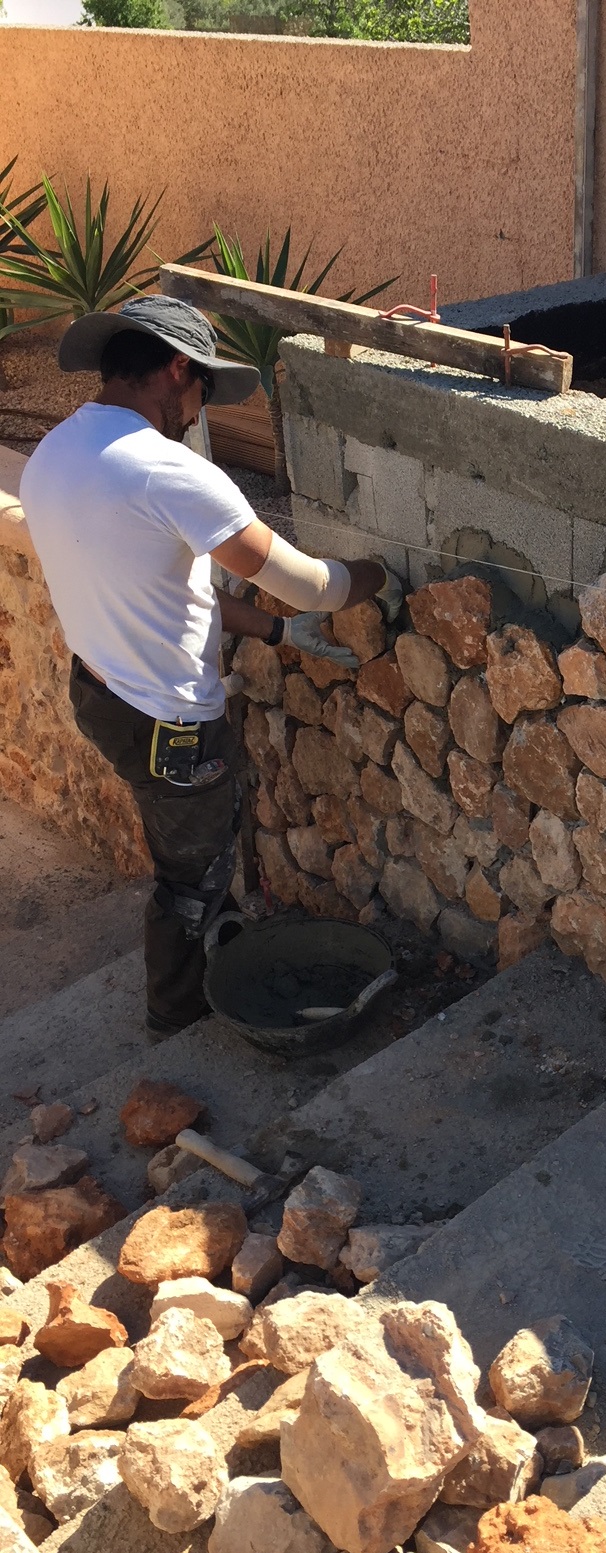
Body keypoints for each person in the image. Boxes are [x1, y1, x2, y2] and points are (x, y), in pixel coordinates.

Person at [19, 294, 400, 1040]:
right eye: (202, 390)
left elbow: (154, 588)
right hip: (172, 727)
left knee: (189, 846)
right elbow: (310, 584)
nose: (200, 412)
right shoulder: (168, 471)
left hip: (102, 694)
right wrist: (376, 574)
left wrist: (273, 630)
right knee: (191, 877)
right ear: (175, 370)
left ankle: (214, 950)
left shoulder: (57, 452)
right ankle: (175, 1018)